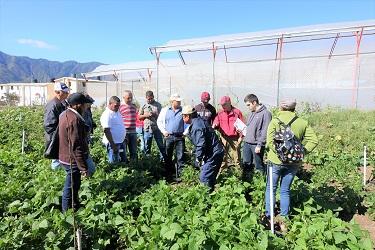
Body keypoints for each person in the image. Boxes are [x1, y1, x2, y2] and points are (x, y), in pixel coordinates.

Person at [264, 99, 318, 231]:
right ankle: (284, 219)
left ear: (281, 108)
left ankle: (269, 217)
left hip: (276, 161)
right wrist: (302, 151)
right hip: (293, 163)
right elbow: (314, 140)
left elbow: (270, 141)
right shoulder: (302, 122)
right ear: (294, 108)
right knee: (285, 190)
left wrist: (279, 152)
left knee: (271, 188)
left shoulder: (275, 121)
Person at [58, 93, 91, 212]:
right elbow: (76, 146)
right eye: (84, 105)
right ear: (78, 105)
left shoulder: (65, 114)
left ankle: (75, 205)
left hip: (64, 155)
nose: (86, 107)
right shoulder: (74, 120)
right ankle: (66, 212)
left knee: (75, 184)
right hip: (71, 159)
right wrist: (83, 167)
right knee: (70, 185)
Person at [182, 105, 224, 190]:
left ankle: (205, 198)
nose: (182, 118)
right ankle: (211, 195)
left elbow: (201, 144)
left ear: (187, 116)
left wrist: (198, 158)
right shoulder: (198, 121)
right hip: (214, 152)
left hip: (213, 153)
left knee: (204, 177)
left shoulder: (197, 126)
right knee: (210, 177)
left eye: (183, 116)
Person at [157, 93, 185, 181]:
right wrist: (164, 132)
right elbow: (159, 122)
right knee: (167, 156)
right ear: (172, 102)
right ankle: (168, 174)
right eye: (177, 101)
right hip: (169, 136)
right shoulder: (165, 110)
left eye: (179, 101)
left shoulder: (183, 110)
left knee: (180, 156)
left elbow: (188, 123)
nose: (179, 102)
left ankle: (180, 175)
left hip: (180, 137)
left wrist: (185, 132)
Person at [242, 94, 272, 175]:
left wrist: (259, 145)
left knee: (258, 165)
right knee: (246, 164)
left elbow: (265, 130)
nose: (248, 107)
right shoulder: (251, 113)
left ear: (254, 102)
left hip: (256, 144)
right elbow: (249, 126)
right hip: (247, 142)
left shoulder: (266, 114)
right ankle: (247, 181)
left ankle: (259, 182)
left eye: (249, 105)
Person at [212, 96, 244, 169]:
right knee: (223, 156)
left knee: (237, 157)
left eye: (224, 104)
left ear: (229, 103)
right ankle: (223, 172)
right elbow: (216, 121)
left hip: (235, 138)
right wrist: (215, 124)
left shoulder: (237, 112)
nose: (222, 106)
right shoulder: (220, 113)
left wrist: (241, 137)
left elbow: (242, 126)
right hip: (224, 137)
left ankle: (238, 173)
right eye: (221, 105)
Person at [44, 82, 70, 170]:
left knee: (62, 156)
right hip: (55, 136)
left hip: (61, 135)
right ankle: (55, 177)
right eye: (65, 92)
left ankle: (60, 174)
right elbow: (48, 124)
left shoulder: (63, 103)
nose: (67, 94)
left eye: (67, 92)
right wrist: (57, 136)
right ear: (58, 92)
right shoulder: (53, 105)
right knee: (56, 158)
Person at [139, 90, 166, 161]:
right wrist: (146, 115)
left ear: (153, 97)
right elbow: (139, 117)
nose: (150, 100)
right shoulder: (143, 105)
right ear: (146, 98)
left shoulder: (158, 105)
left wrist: (155, 114)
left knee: (161, 145)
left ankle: (162, 160)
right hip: (147, 129)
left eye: (151, 98)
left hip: (157, 128)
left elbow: (162, 117)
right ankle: (148, 161)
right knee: (147, 146)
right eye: (148, 99)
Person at [100, 96, 127, 164]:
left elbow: (120, 125)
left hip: (120, 142)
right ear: (110, 104)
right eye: (116, 106)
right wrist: (112, 145)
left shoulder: (117, 112)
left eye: (118, 105)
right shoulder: (107, 114)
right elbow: (106, 130)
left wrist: (124, 137)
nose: (118, 107)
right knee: (114, 163)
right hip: (113, 144)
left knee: (123, 162)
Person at [119, 90, 138, 161]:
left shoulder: (133, 106)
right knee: (123, 151)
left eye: (131, 98)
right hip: (124, 132)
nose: (130, 99)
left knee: (133, 151)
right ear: (123, 97)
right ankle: (125, 166)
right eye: (128, 98)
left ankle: (134, 166)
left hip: (133, 131)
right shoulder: (120, 107)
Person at [82, 94, 96, 177]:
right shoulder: (82, 111)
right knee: (84, 154)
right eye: (90, 103)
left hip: (87, 136)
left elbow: (90, 119)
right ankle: (86, 171)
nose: (91, 105)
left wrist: (93, 124)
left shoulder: (88, 110)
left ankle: (86, 171)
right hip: (83, 137)